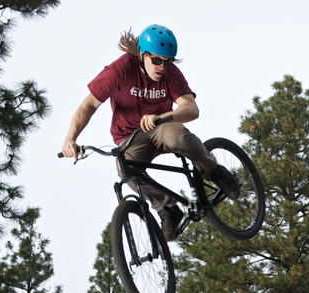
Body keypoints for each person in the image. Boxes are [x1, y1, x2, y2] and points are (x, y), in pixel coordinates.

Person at [61, 24, 240, 241]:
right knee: (126, 169)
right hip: (129, 137)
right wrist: (71, 139)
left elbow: (191, 108)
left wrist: (161, 118)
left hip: (162, 126)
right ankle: (168, 209)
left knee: (178, 137)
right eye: (156, 61)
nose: (162, 67)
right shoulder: (120, 70)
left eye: (168, 61)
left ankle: (214, 171)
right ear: (141, 55)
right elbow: (88, 105)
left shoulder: (171, 74)